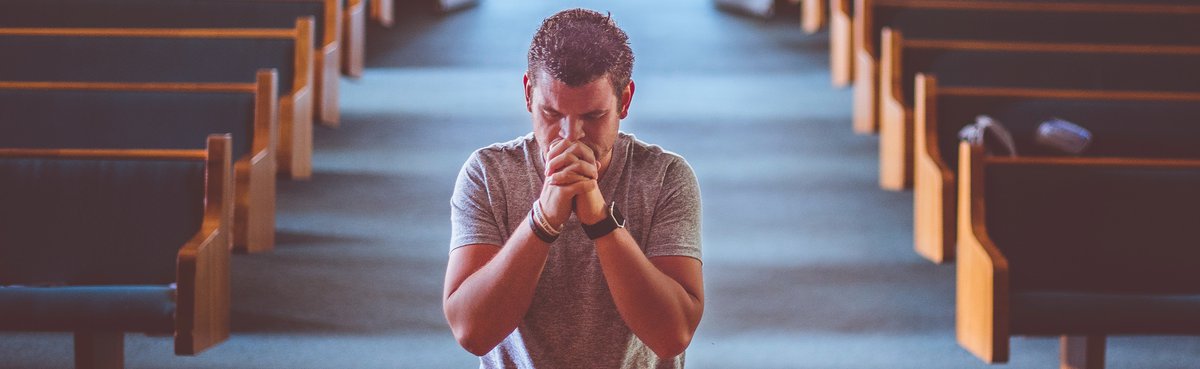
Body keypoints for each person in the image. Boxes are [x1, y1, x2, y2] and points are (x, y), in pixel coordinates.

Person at [443, 8, 704, 369]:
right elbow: (472, 332)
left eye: (592, 117)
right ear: (528, 95)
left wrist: (600, 220)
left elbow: (671, 335)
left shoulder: (665, 177)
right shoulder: (487, 174)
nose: (570, 137)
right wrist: (543, 219)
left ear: (624, 101)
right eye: (551, 114)